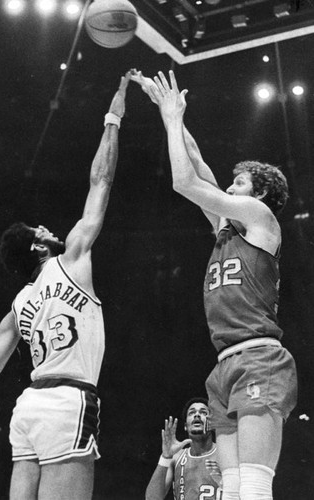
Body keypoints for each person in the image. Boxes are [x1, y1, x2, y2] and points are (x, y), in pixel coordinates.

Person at [0, 72, 131, 500]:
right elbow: (101, 181)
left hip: (29, 410)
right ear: (39, 246)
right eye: (41, 228)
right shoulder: (72, 259)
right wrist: (112, 118)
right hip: (66, 403)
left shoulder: (17, 306)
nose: (49, 227)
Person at [131, 69, 297, 500]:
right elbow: (198, 164)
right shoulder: (228, 227)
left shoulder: (261, 220)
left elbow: (185, 181)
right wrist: (171, 113)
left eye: (238, 183)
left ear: (257, 195)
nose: (227, 185)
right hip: (223, 367)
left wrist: (171, 119)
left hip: (259, 359)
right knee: (233, 489)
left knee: (256, 487)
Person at [146, 398, 222, 500]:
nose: (197, 415)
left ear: (212, 423)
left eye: (203, 412)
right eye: (192, 413)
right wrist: (165, 457)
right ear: (186, 426)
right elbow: (151, 498)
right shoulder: (176, 458)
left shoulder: (225, 454)